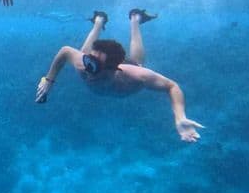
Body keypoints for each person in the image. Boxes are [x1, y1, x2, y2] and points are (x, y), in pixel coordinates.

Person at [35, 9, 205, 143]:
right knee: (83, 52)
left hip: (129, 69)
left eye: (94, 66)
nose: (87, 70)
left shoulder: (135, 76)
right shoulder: (83, 65)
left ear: (114, 69)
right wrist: (49, 79)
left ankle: (135, 19)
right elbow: (65, 51)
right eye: (88, 62)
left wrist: (180, 117)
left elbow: (172, 86)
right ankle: (99, 21)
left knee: (138, 61)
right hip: (108, 72)